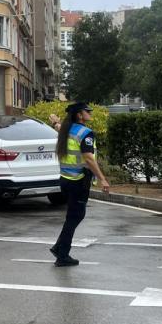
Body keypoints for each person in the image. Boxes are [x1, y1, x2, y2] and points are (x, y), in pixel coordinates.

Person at [47, 102, 110, 267]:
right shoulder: (86, 133)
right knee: (75, 216)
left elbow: (59, 127)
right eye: (87, 111)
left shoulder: (67, 129)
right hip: (79, 181)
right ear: (79, 115)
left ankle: (59, 248)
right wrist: (102, 178)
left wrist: (54, 121)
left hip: (65, 179)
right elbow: (89, 158)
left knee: (73, 215)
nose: (90, 113)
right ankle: (62, 254)